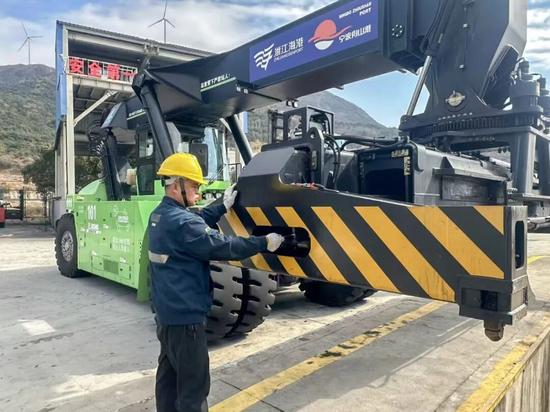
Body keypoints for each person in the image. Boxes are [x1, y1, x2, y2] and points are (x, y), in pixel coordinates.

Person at [148, 153, 284, 412]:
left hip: (167, 317)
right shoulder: (183, 223)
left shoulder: (160, 216)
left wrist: (222, 207)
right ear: (176, 186)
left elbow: (195, 225)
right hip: (187, 322)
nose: (198, 192)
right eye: (194, 186)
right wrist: (264, 242)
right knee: (194, 389)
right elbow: (224, 246)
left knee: (169, 379)